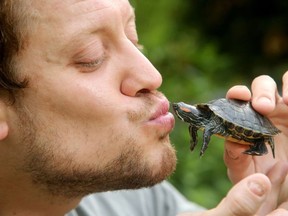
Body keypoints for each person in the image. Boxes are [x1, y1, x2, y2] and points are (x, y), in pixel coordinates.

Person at [0, 0, 287, 215]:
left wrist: (276, 191)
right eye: (92, 57)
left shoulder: (130, 200)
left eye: (134, 40)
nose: (152, 75)